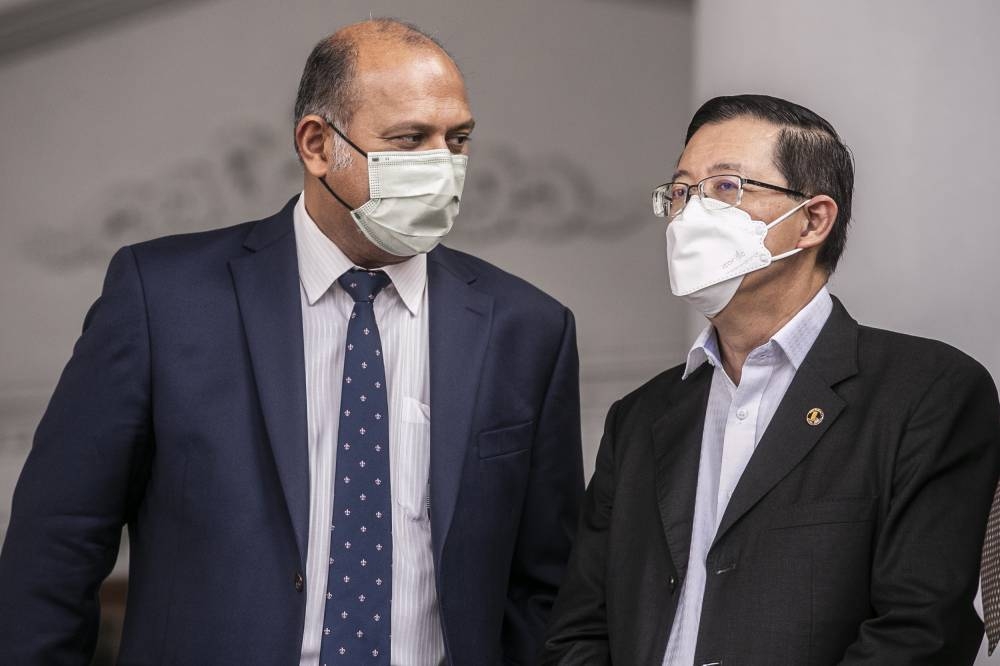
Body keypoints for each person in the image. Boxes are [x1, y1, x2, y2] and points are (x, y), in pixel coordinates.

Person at [0, 19, 583, 665]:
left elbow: (548, 584)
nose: (442, 166)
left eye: (458, 139)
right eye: (409, 139)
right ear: (315, 144)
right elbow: (57, 541)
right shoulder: (162, 299)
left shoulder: (526, 327)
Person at [541, 94, 1000, 665]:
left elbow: (919, 632)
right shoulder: (641, 417)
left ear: (812, 220)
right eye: (682, 192)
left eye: (726, 187)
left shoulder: (926, 392)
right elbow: (580, 631)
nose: (690, 213)